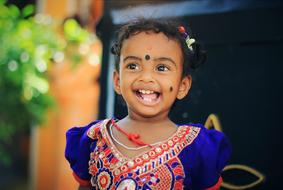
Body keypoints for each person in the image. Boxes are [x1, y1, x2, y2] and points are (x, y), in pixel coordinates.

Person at [65, 18, 231, 190]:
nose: (146, 77)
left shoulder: (198, 147)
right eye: (133, 66)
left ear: (182, 86)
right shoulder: (94, 138)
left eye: (161, 68)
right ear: (117, 80)